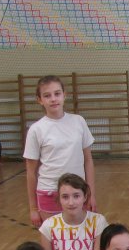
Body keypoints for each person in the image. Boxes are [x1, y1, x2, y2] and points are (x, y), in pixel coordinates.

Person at [24, 75, 96, 227]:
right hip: (49, 193)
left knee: (80, 237)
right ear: (39, 100)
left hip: (78, 192)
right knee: (53, 240)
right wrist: (33, 208)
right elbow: (31, 172)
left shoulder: (79, 121)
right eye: (47, 95)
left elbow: (88, 160)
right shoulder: (36, 129)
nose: (53, 99)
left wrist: (91, 194)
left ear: (64, 95)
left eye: (57, 93)